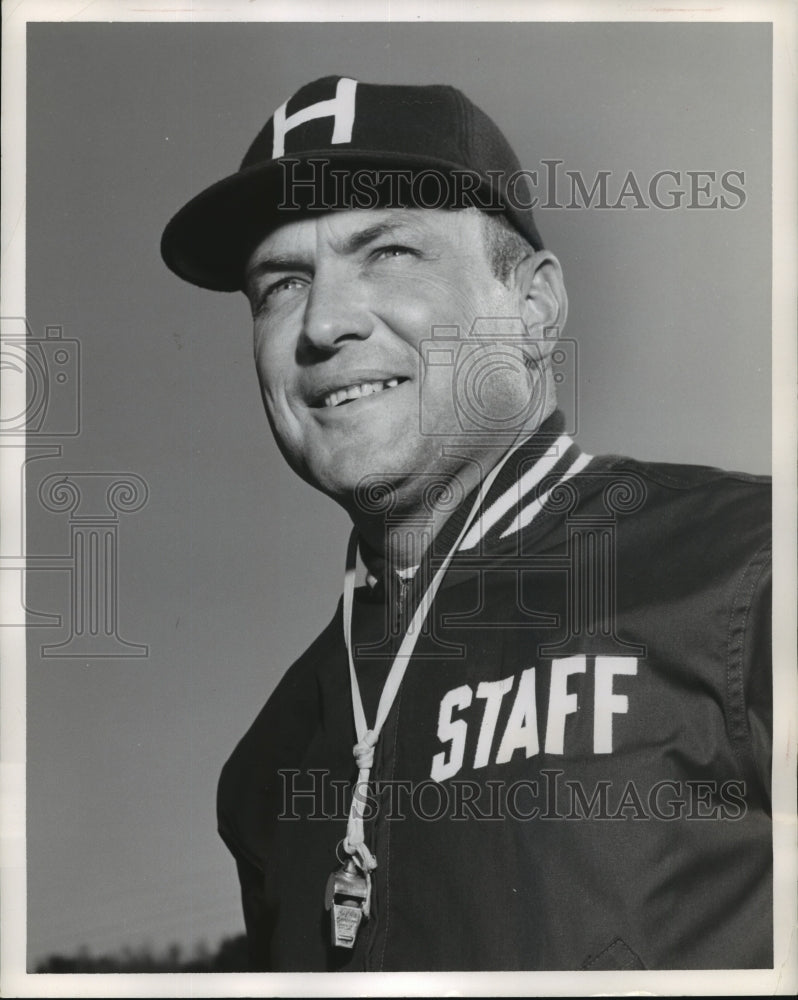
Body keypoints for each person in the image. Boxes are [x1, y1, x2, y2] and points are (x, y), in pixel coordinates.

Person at [161, 76, 772, 972]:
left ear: (534, 308)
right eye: (282, 283)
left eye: (390, 252)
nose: (324, 322)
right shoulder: (270, 763)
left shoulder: (748, 568)